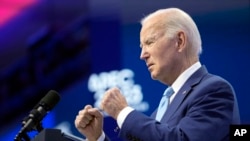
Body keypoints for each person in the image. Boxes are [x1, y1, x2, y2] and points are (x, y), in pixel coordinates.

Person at [75, 7, 240, 141]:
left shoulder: (214, 90)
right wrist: (97, 137)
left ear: (180, 41)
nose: (142, 55)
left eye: (149, 42)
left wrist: (123, 112)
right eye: (141, 46)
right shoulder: (160, 111)